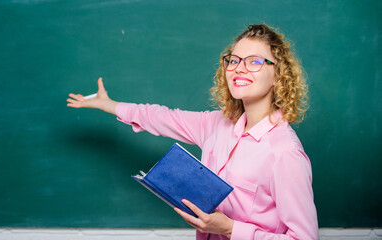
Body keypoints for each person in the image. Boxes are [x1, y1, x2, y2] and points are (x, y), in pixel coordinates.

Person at [67, 24, 319, 240]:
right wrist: (109, 105)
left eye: (254, 61)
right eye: (234, 60)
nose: (239, 68)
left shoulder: (284, 153)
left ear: (278, 75)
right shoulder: (217, 125)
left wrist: (231, 229)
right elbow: (162, 117)